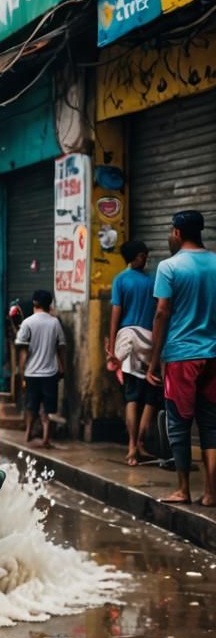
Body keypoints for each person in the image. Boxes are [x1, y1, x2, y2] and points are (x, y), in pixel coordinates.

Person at [146, 211, 216, 506]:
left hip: (180, 356)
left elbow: (162, 312)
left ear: (176, 232)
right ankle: (211, 493)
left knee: (179, 424)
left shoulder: (169, 267)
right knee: (211, 424)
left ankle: (184, 490)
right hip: (213, 354)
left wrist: (153, 360)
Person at [107, 240, 160, 465]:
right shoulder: (153, 281)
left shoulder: (120, 280)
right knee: (150, 394)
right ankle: (140, 444)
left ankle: (130, 447)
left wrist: (111, 344)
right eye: (144, 255)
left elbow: (116, 313)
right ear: (136, 257)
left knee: (131, 395)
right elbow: (160, 312)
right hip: (149, 338)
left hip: (127, 337)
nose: (146, 258)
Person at [15, 289, 65, 448]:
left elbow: (23, 351)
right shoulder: (55, 322)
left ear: (34, 303)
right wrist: (62, 367)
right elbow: (61, 347)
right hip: (50, 373)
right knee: (47, 408)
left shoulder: (27, 323)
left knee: (31, 406)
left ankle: (28, 431)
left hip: (31, 373)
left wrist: (21, 371)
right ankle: (45, 437)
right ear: (49, 304)